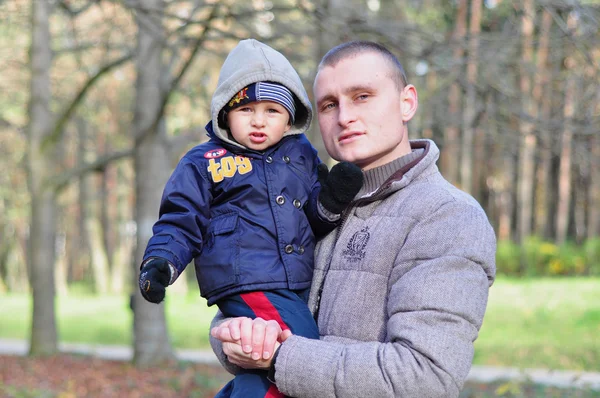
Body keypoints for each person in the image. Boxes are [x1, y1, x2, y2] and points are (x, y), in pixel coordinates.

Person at [210, 40, 497, 398]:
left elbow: (424, 377)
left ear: (407, 102)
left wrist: (278, 356)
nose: (344, 117)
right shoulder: (302, 200)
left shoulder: (448, 216)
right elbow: (246, 300)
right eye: (329, 105)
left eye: (362, 96)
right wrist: (233, 337)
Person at [137, 39, 363, 398]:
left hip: (294, 280)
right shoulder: (205, 161)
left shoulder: (301, 155)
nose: (259, 121)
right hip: (249, 278)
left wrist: (331, 201)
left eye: (272, 110)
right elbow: (181, 219)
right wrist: (160, 261)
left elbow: (312, 222)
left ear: (291, 116)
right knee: (298, 348)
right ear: (225, 112)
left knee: (265, 359)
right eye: (246, 110)